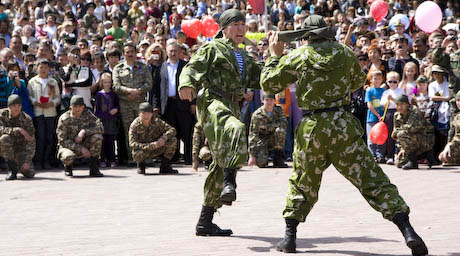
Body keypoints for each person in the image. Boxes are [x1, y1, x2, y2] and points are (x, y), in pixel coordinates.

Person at [260, 15, 428, 255]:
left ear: (307, 35)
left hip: (313, 127)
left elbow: (269, 83)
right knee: (372, 179)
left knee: (302, 182)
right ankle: (408, 230)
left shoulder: (299, 55)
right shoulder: (345, 53)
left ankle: (289, 238)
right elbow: (357, 82)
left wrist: (275, 56)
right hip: (342, 124)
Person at [178, 9, 261, 236]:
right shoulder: (213, 48)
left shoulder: (243, 56)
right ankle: (230, 182)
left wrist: (279, 58)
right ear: (224, 28)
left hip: (232, 104)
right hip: (212, 100)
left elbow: (263, 76)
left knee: (220, 162)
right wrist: (186, 83)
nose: (241, 29)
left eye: (243, 24)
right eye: (235, 24)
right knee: (236, 128)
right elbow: (193, 67)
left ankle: (205, 221)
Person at [112, 41, 153, 165]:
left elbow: (149, 83)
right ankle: (133, 157)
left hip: (140, 103)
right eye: (127, 52)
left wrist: (139, 91)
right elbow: (116, 86)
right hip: (125, 104)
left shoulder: (143, 67)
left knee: (144, 129)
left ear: (136, 53)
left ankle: (146, 157)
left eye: (132, 52)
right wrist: (129, 91)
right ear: (123, 54)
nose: (130, 54)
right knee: (129, 131)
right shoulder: (118, 69)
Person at [157, 41, 192, 164]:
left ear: (180, 52)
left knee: (186, 132)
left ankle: (188, 158)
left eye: (175, 51)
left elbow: (193, 85)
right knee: (171, 132)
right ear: (166, 52)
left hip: (183, 103)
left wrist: (193, 103)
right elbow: (157, 88)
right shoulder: (161, 67)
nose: (173, 53)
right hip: (167, 104)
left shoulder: (186, 66)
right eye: (170, 51)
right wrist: (156, 106)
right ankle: (173, 157)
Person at [56, 95, 104, 177]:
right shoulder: (64, 119)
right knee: (68, 156)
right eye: (75, 106)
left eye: (80, 106)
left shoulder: (88, 115)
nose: (78, 109)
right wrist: (81, 149)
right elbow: (62, 141)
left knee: (97, 137)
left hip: (85, 143)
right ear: (71, 107)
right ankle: (68, 168)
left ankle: (94, 168)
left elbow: (100, 127)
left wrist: (84, 131)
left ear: (83, 107)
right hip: (69, 147)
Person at [28, 58, 61, 170]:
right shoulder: (32, 81)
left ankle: (47, 160)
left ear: (49, 69)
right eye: (41, 67)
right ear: (37, 68)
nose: (43, 70)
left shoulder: (53, 81)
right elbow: (29, 96)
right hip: (38, 112)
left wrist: (52, 103)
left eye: (46, 67)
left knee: (49, 138)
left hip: (50, 112)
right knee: (40, 137)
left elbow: (58, 98)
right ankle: (38, 161)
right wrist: (35, 102)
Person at [128, 102, 178, 174]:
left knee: (173, 140)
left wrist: (163, 138)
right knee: (137, 153)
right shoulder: (135, 125)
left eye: (149, 113)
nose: (146, 116)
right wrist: (151, 145)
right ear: (139, 114)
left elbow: (172, 130)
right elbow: (132, 144)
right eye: (144, 113)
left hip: (158, 147)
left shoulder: (156, 121)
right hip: (144, 150)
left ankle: (165, 166)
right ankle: (141, 166)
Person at [392, 95, 436, 169]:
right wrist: (402, 148)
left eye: (402, 104)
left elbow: (410, 127)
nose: (399, 107)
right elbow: (396, 135)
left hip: (426, 138)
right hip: (411, 141)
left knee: (401, 134)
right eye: (397, 105)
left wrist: (396, 132)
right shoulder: (396, 115)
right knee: (399, 163)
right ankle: (425, 155)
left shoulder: (414, 110)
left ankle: (413, 162)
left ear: (407, 104)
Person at [0, 95, 35, 180]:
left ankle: (19, 164)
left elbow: (31, 141)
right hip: (5, 147)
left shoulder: (27, 119)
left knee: (29, 172)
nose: (16, 108)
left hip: (20, 149)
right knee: (4, 138)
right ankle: (12, 170)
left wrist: (27, 161)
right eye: (14, 106)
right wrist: (17, 130)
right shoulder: (2, 115)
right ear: (9, 107)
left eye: (18, 106)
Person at [248, 93, 288, 168]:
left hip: (275, 138)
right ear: (262, 101)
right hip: (262, 140)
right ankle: (265, 156)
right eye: (267, 100)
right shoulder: (257, 114)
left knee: (280, 131)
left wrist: (266, 127)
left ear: (275, 101)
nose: (269, 102)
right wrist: (252, 155)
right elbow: (253, 134)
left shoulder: (279, 109)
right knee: (261, 163)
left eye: (271, 100)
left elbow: (284, 123)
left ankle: (278, 158)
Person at [94, 72, 120, 168]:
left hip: (112, 120)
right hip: (102, 120)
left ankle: (112, 159)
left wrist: (116, 110)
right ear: (102, 83)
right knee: (103, 141)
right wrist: (97, 120)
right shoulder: (99, 95)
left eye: (109, 82)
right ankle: (102, 159)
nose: (107, 84)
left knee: (111, 141)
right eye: (105, 82)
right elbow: (96, 109)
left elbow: (118, 105)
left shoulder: (113, 94)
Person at [380, 71, 405, 165]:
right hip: (389, 113)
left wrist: (394, 99)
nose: (392, 84)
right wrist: (388, 100)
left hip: (398, 112)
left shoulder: (400, 91)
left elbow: (403, 102)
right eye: (390, 81)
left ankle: (400, 154)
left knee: (399, 134)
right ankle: (389, 156)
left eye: (395, 82)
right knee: (390, 135)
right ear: (387, 82)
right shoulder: (386, 92)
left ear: (398, 82)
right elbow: (382, 104)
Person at [365, 70, 385, 163]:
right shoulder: (369, 91)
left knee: (381, 137)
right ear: (371, 79)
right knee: (371, 138)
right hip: (372, 118)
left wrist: (382, 114)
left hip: (381, 118)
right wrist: (377, 114)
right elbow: (369, 104)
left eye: (379, 79)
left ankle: (380, 155)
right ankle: (372, 155)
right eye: (375, 79)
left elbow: (385, 104)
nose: (377, 80)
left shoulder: (383, 91)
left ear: (382, 80)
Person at [439, 91, 460, 166]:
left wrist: (450, 145)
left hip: (457, 143)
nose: (459, 103)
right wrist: (448, 145)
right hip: (457, 144)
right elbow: (454, 133)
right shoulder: (457, 116)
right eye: (458, 100)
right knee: (442, 157)